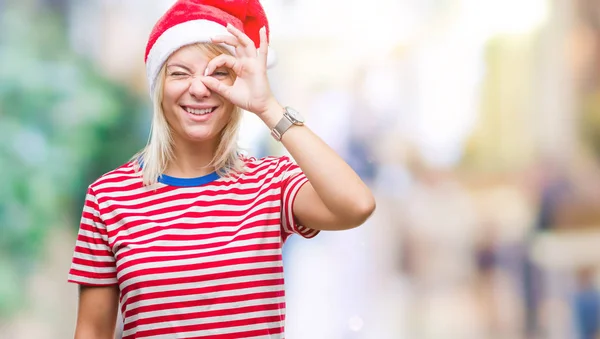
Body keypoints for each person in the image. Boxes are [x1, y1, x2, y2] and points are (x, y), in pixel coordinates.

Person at [67, 0, 376, 338]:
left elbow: (356, 205)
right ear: (158, 86)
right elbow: (92, 332)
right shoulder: (109, 197)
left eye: (218, 73)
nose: (199, 89)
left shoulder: (270, 183)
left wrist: (268, 107)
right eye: (180, 73)